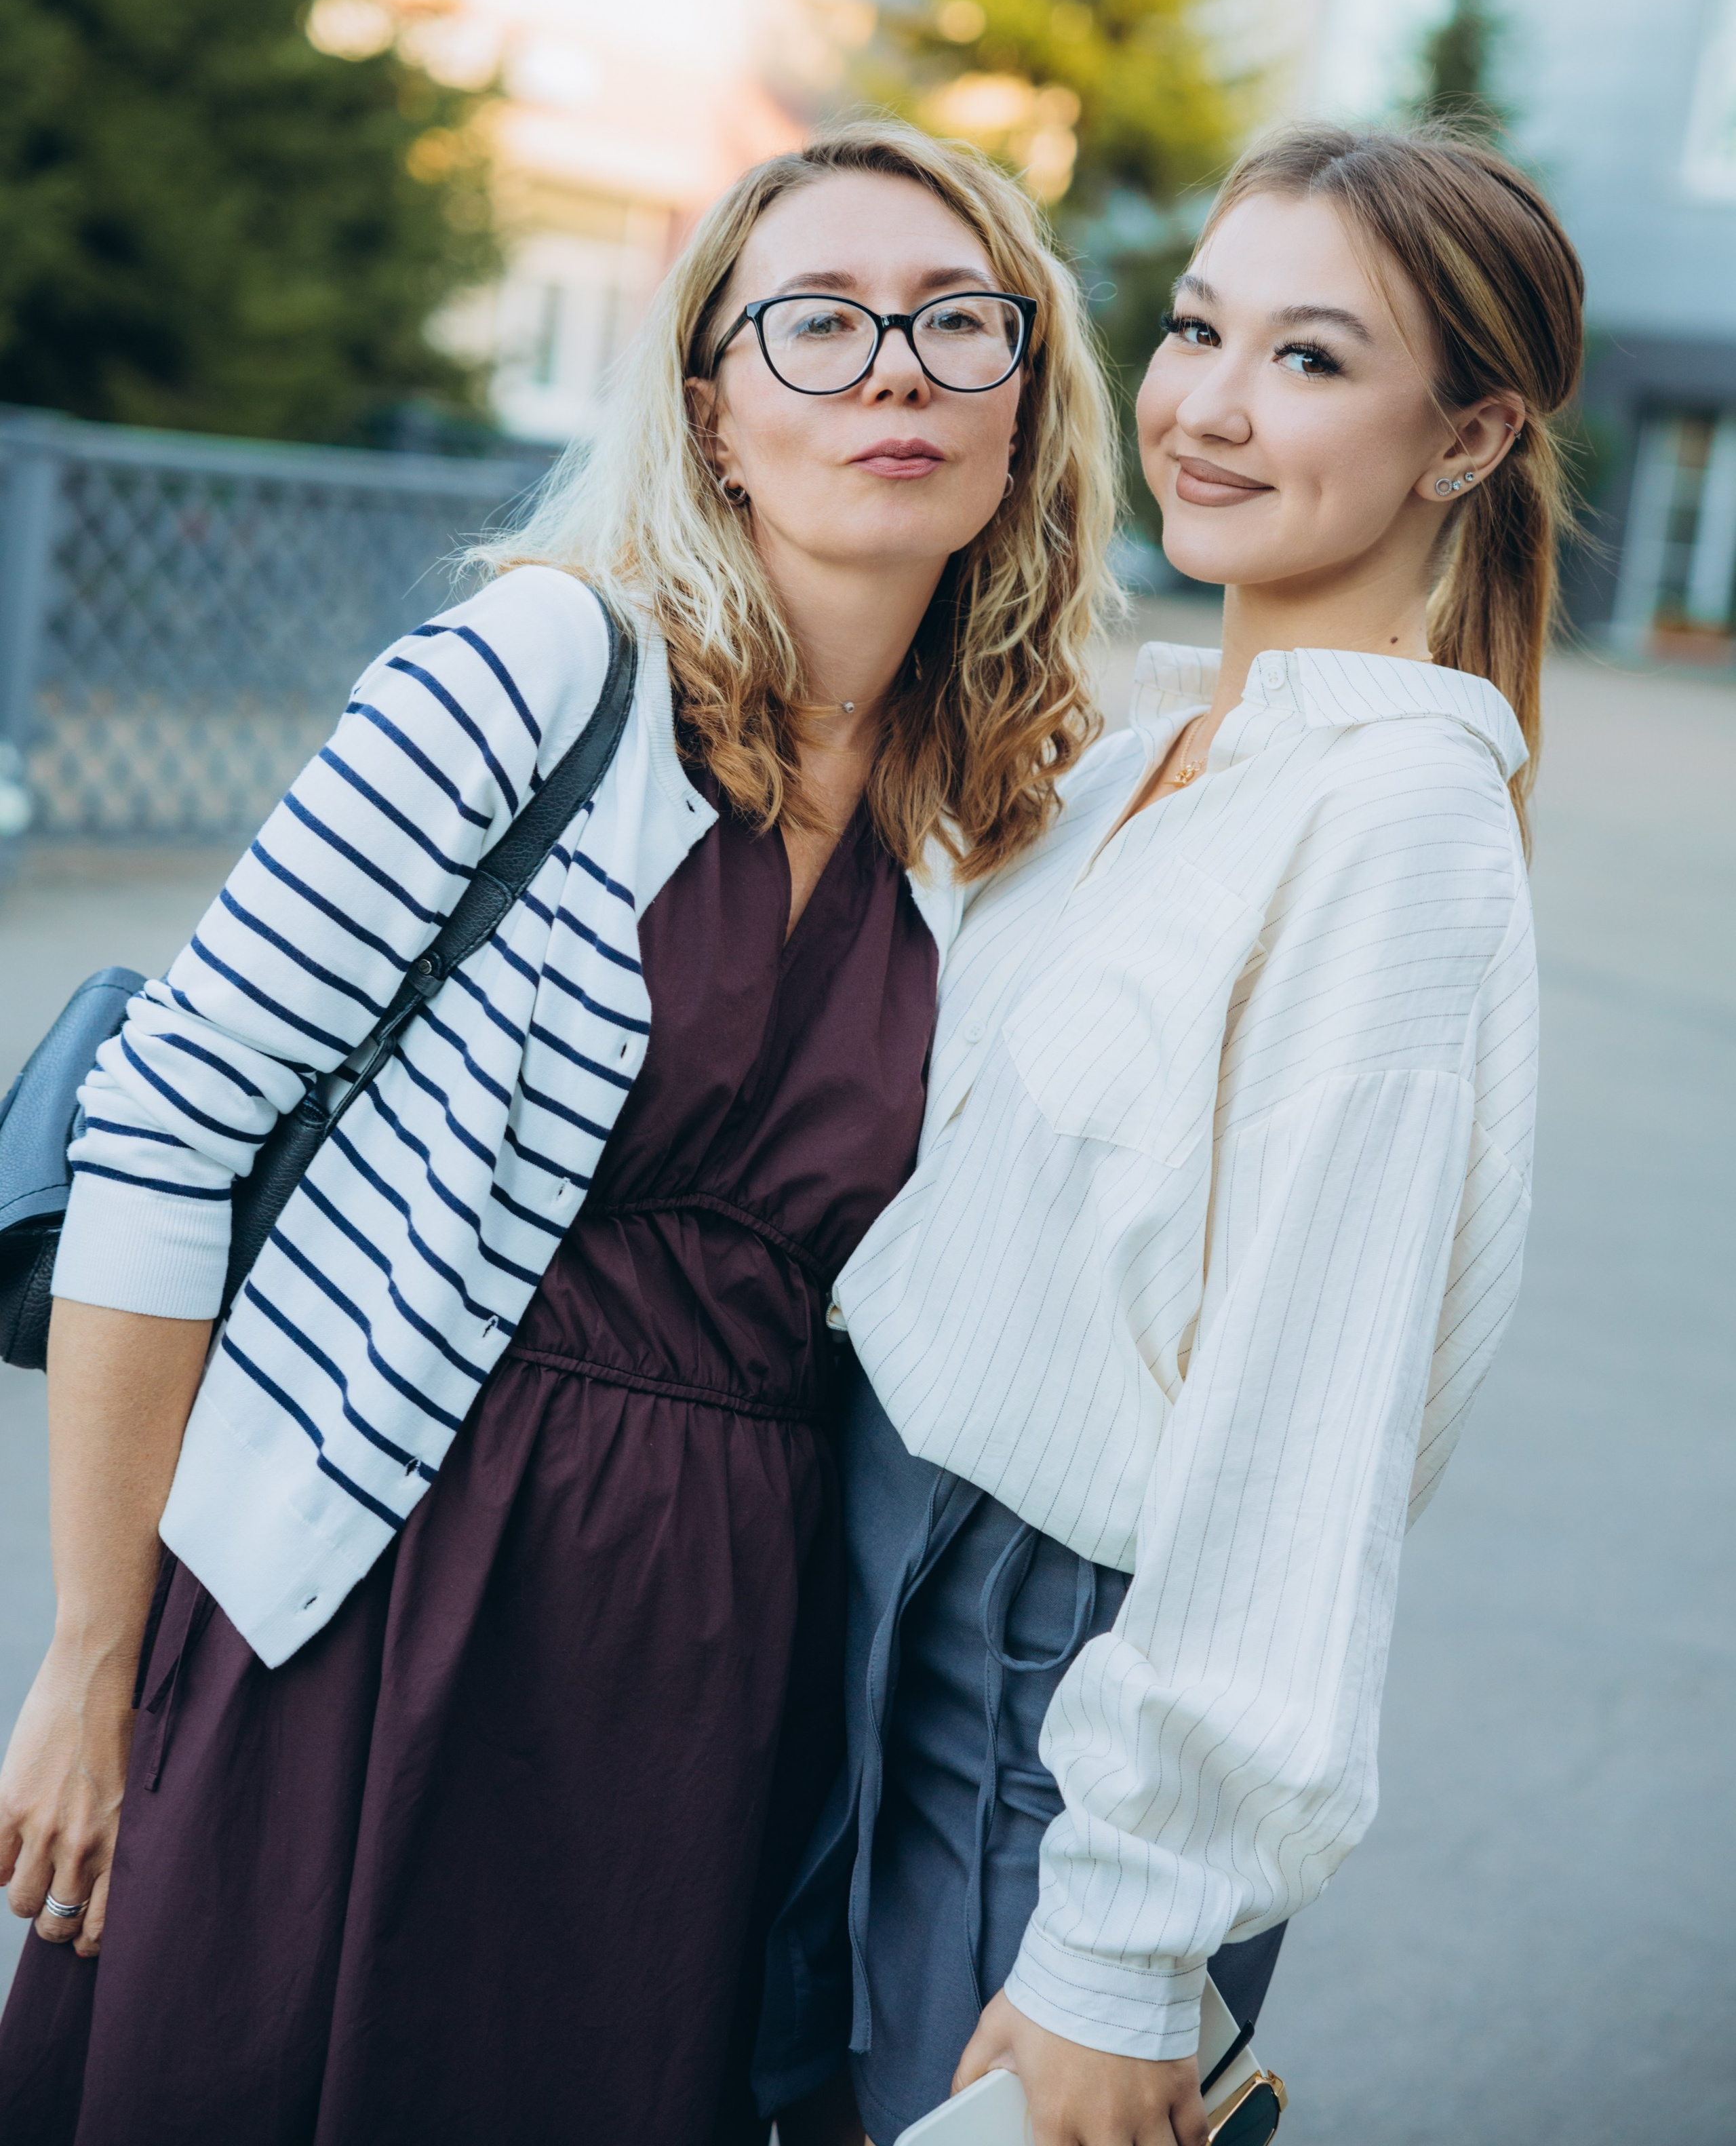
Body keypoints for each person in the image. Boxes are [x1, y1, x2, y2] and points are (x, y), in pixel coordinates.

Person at [0, 117, 1119, 2146]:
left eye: (965, 324)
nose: (895, 371)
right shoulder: (543, 673)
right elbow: (165, 1129)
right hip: (373, 1580)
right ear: (711, 412)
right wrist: (88, 1658)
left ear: (1029, 400)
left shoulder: (997, 826)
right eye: (822, 324)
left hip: (710, 1659)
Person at [759, 123, 1585, 2146]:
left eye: (1310, 361)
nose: (1209, 407)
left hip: (1058, 1687)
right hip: (856, 1575)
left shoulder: (1396, 828)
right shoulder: (1135, 764)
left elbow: (1305, 1416)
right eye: (1200, 328)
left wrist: (1130, 1939)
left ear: (1465, 441)